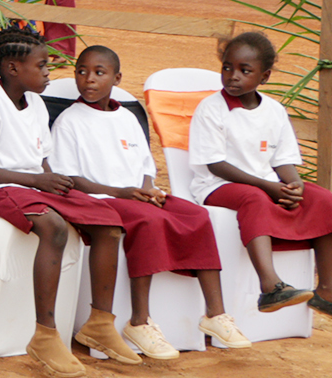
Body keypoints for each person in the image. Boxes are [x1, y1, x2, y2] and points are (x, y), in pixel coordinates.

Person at [0, 28, 140, 378]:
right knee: (52, 226)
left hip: (32, 185)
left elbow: (42, 159)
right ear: (12, 68)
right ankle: (46, 335)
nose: (49, 73)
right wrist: (39, 182)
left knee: (108, 221)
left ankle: (99, 321)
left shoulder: (35, 103)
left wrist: (56, 185)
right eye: (41, 65)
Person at [50, 45, 249, 356]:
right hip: (101, 200)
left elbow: (145, 168)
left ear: (116, 78)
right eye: (81, 71)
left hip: (135, 195)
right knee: (148, 219)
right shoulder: (69, 121)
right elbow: (70, 180)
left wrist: (147, 190)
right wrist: (126, 193)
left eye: (99, 73)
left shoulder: (128, 118)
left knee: (196, 216)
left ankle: (216, 313)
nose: (88, 79)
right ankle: (139, 322)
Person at [188, 31, 332, 315]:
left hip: (266, 183)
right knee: (254, 198)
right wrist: (269, 187)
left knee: (324, 199)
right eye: (227, 67)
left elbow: (284, 159)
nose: (233, 76)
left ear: (263, 77)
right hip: (218, 185)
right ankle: (270, 287)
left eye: (244, 70)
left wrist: (294, 185)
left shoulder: (275, 111)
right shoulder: (211, 109)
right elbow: (215, 164)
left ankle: (326, 290)